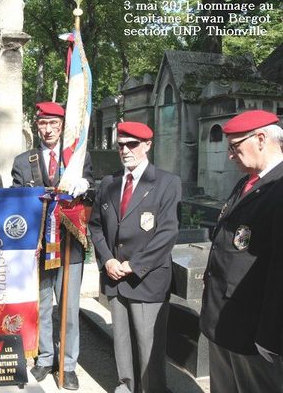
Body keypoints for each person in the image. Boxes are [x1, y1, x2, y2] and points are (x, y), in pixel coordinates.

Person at [88, 121, 181, 393]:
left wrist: (134, 265)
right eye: (120, 145)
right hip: (115, 275)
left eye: (132, 144)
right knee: (122, 343)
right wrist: (107, 260)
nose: (125, 150)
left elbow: (167, 232)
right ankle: (126, 387)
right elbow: (95, 226)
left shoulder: (166, 183)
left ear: (148, 145)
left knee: (148, 346)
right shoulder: (109, 183)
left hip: (146, 279)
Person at [11, 102, 93, 390]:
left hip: (70, 244)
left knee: (69, 308)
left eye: (53, 124)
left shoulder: (77, 158)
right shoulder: (24, 161)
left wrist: (85, 184)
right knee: (42, 305)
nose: (48, 130)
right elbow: (17, 200)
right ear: (37, 126)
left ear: (62, 127)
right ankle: (45, 358)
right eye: (43, 124)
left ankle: (68, 364)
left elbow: (91, 188)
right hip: (40, 246)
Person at [200, 110, 283, 392]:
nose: (230, 155)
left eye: (235, 146)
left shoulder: (279, 186)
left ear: (261, 138)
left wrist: (269, 337)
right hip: (223, 320)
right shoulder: (248, 180)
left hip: (253, 332)